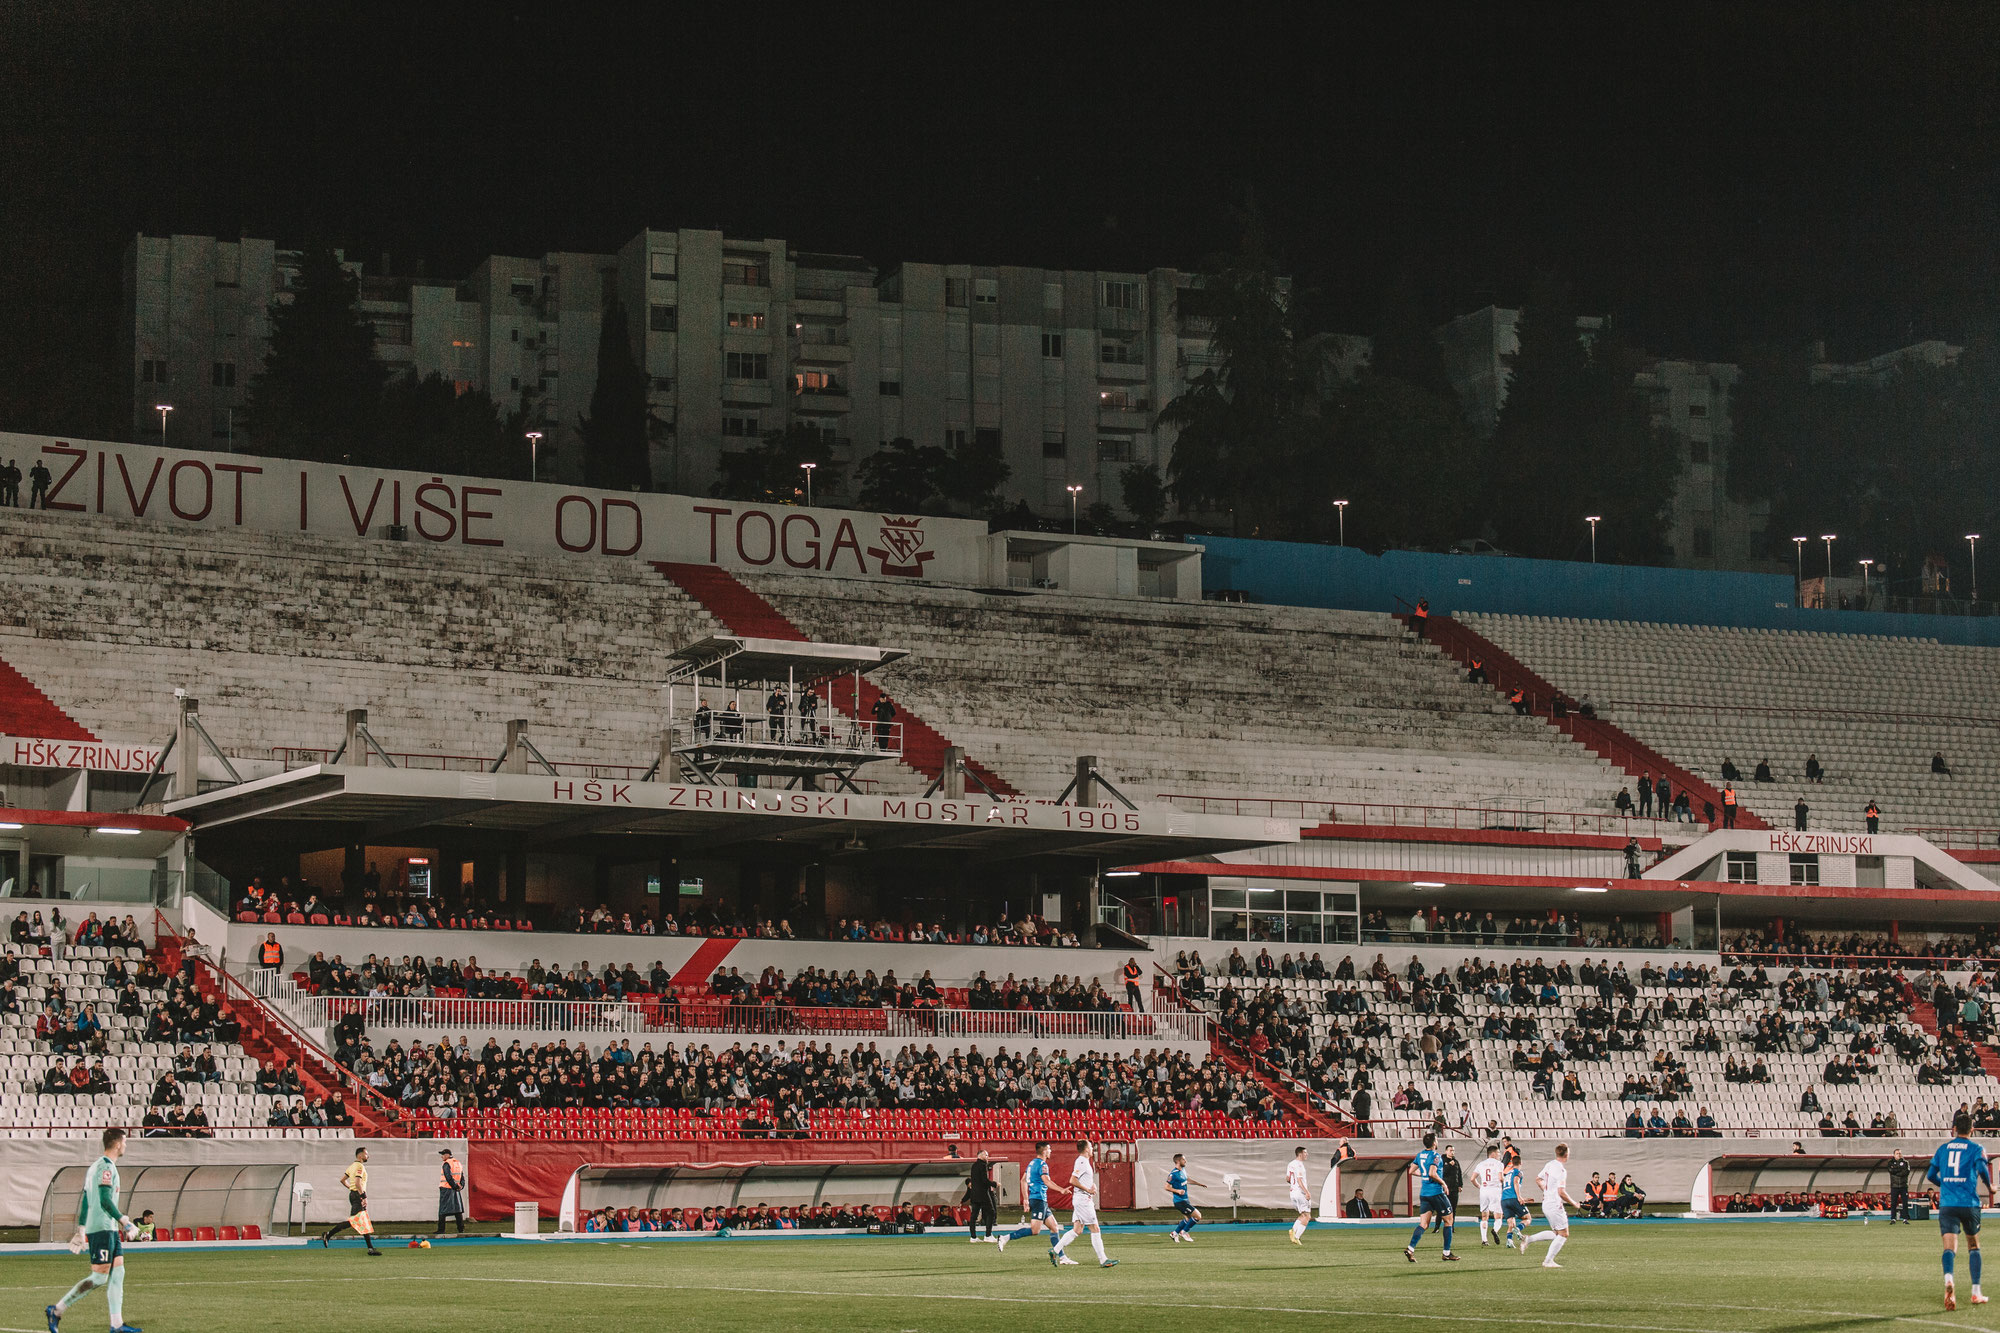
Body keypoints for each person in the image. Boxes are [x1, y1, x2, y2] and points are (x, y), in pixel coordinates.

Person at [46, 1126, 143, 1333]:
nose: (125, 1145)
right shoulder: (106, 1168)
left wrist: (81, 1229)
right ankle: (57, 1310)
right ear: (117, 1144)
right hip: (102, 1228)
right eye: (124, 1142)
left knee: (118, 1273)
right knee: (99, 1277)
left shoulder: (95, 1167)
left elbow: (86, 1201)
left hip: (105, 1228)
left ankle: (116, 1324)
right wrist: (124, 1221)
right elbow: (105, 1200)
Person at [1929, 1110, 1993, 1309]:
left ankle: (1949, 1280)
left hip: (1948, 1205)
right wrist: (1990, 1187)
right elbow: (1982, 1168)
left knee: (1949, 1248)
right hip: (1969, 1204)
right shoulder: (1976, 1148)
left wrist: (1946, 1185)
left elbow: (1931, 1175)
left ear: (1954, 1129)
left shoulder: (1942, 1149)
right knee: (1973, 1246)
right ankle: (1976, 1292)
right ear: (1972, 1130)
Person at [1049, 1140, 1115, 1268]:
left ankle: (1055, 1250)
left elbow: (1082, 1179)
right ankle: (1103, 1260)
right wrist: (1088, 1189)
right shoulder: (1082, 1162)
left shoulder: (1084, 1162)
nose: (1092, 1148)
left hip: (1082, 1199)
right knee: (1095, 1228)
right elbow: (1072, 1180)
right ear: (1086, 1149)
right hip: (1083, 1200)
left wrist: (1091, 1186)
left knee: (1077, 1230)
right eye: (1090, 1146)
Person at [1403, 1131, 1457, 1261]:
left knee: (1424, 1224)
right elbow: (1432, 1173)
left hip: (1424, 1193)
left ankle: (1410, 1249)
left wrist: (1425, 1175)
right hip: (1436, 1193)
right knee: (1449, 1221)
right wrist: (1444, 1183)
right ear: (1434, 1143)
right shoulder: (1436, 1156)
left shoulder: (1420, 1155)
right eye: (1436, 1140)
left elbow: (1411, 1171)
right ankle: (1446, 1253)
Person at [995, 1141, 1057, 1254]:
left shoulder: (1032, 1163)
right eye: (1049, 1149)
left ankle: (1062, 1257)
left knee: (1054, 1227)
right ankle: (1005, 1238)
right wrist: (1061, 1189)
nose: (1050, 1151)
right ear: (1044, 1151)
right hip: (1039, 1200)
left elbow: (1023, 1180)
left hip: (1037, 1200)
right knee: (1035, 1230)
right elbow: (1047, 1181)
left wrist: (1026, 1199)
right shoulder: (1043, 1165)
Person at [1521, 1143, 1576, 1268]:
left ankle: (1528, 1239)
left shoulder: (1550, 1164)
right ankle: (1548, 1261)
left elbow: (1538, 1179)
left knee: (1557, 1233)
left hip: (1546, 1203)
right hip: (1554, 1204)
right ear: (1566, 1154)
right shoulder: (1561, 1170)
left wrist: (1546, 1190)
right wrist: (1574, 1203)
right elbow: (1561, 1192)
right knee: (1564, 1234)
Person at [319, 1146, 381, 1255]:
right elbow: (357, 1183)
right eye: (366, 1154)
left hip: (353, 1194)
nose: (368, 1156)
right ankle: (328, 1234)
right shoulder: (359, 1167)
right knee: (355, 1221)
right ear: (360, 1155)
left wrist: (351, 1189)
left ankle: (370, 1248)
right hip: (358, 1196)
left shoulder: (352, 1166)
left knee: (362, 1221)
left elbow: (342, 1180)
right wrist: (363, 1196)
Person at [1165, 1152, 1207, 1243]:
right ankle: (1184, 1232)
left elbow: (1186, 1180)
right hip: (1179, 1201)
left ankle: (1175, 1233)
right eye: (1184, 1159)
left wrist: (1199, 1184)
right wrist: (1177, 1191)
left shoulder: (1183, 1170)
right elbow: (1166, 1187)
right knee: (1198, 1216)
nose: (1185, 1161)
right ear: (1178, 1161)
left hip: (1185, 1200)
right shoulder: (1173, 1174)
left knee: (1188, 1219)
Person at [1471, 1143, 1505, 1247]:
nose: (1499, 1155)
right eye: (1498, 1153)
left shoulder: (1481, 1164)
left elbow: (1472, 1178)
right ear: (1493, 1153)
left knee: (1484, 1216)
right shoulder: (1499, 1164)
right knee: (1498, 1215)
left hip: (1484, 1190)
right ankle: (1495, 1230)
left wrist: (1480, 1186)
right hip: (1495, 1190)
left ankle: (1484, 1240)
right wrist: (1504, 1184)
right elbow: (1500, 1178)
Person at [1499, 1148, 1531, 1249]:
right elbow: (1516, 1182)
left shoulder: (1507, 1174)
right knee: (1528, 1218)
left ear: (1511, 1163)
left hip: (1504, 1200)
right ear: (1521, 1163)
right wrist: (1519, 1197)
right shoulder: (1518, 1172)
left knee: (1511, 1222)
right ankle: (1518, 1229)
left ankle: (1509, 1240)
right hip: (1513, 1198)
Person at [965, 1148, 998, 1242]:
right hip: (983, 1194)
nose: (988, 1157)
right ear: (982, 1156)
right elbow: (984, 1181)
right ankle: (988, 1235)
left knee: (973, 1215)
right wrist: (995, 1184)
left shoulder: (974, 1165)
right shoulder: (983, 1166)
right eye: (986, 1155)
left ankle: (973, 1237)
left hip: (974, 1194)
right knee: (991, 1212)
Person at [1285, 1144, 1314, 1245]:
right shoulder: (1299, 1165)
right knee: (1307, 1216)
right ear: (1300, 1154)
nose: (1307, 1154)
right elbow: (1299, 1180)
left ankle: (1293, 1231)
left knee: (1303, 1214)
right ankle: (1296, 1237)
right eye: (1305, 1153)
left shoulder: (1290, 1164)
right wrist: (1306, 1192)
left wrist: (1294, 1185)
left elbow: (1288, 1178)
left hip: (1292, 1192)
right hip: (1300, 1192)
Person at [436, 1147, 466, 1236]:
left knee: (442, 1210)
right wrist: (460, 1186)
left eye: (443, 1154)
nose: (442, 1157)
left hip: (446, 1188)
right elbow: (462, 1177)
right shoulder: (458, 1163)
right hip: (456, 1189)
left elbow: (448, 1177)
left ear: (447, 1155)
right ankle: (461, 1229)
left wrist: (454, 1186)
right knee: (457, 1210)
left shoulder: (446, 1164)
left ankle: (441, 1230)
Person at [1887, 1147, 1911, 1224]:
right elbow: (1891, 1170)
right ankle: (1893, 1218)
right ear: (1894, 1155)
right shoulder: (1890, 1162)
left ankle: (1905, 1219)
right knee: (1893, 1203)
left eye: (1900, 1153)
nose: (1899, 1155)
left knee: (1905, 1202)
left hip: (1904, 1186)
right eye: (1897, 1153)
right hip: (1894, 1186)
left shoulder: (1905, 1162)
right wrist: (1900, 1169)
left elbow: (1906, 1172)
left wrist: (1896, 1171)